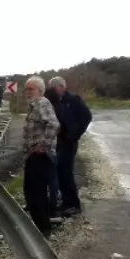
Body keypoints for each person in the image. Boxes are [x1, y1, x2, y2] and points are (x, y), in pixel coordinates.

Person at [44, 76, 92, 216]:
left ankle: (73, 204)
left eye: (56, 88)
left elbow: (87, 116)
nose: (54, 91)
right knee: (58, 172)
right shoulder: (52, 101)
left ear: (62, 87)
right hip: (57, 142)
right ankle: (64, 201)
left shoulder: (74, 100)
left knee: (66, 172)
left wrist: (75, 133)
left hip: (69, 141)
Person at [21, 76, 61, 237]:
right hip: (34, 156)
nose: (27, 92)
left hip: (40, 156)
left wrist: (41, 146)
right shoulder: (34, 105)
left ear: (40, 90)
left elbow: (54, 124)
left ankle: (42, 229)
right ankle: (42, 226)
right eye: (27, 89)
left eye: (31, 89)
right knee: (35, 193)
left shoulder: (42, 103)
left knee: (34, 193)